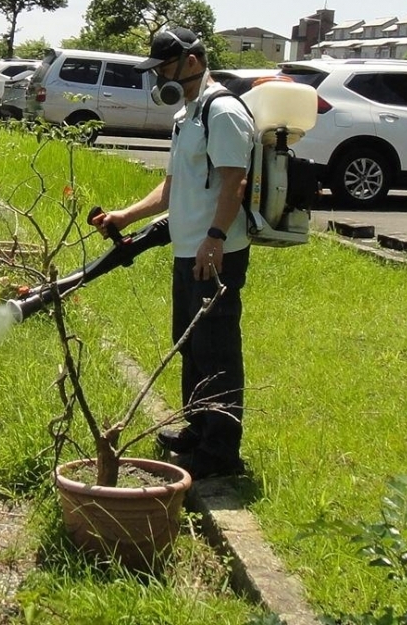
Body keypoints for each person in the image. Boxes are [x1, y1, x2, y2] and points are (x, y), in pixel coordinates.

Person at [93, 27, 255, 478]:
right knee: (189, 341)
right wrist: (126, 215)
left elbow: (234, 181)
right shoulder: (190, 113)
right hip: (190, 249)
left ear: (190, 62)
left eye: (163, 67)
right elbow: (171, 187)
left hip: (216, 251)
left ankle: (221, 454)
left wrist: (216, 236)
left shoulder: (222, 111)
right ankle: (197, 429)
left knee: (217, 350)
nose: (158, 76)